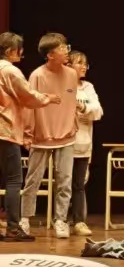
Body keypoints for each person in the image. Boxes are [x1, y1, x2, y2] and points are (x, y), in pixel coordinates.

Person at [0, 32, 61, 243]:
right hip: (5, 131)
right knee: (14, 180)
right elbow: (28, 96)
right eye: (19, 50)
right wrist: (48, 98)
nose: (21, 53)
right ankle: (13, 228)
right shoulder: (10, 71)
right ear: (10, 51)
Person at [21, 33, 78, 239]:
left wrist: (73, 124)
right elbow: (29, 104)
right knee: (33, 180)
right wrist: (28, 133)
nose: (66, 51)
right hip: (42, 135)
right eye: (62, 48)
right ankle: (25, 218)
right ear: (50, 54)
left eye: (66, 47)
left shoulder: (72, 74)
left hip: (67, 135)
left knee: (65, 181)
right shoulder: (37, 75)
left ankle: (60, 220)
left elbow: (71, 101)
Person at [67, 51, 101, 237]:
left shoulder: (88, 87)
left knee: (79, 184)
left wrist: (83, 107)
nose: (83, 67)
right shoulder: (62, 85)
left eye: (85, 64)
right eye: (79, 63)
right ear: (68, 65)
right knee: (63, 184)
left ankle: (79, 222)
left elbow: (98, 111)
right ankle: (60, 219)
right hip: (64, 142)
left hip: (83, 144)